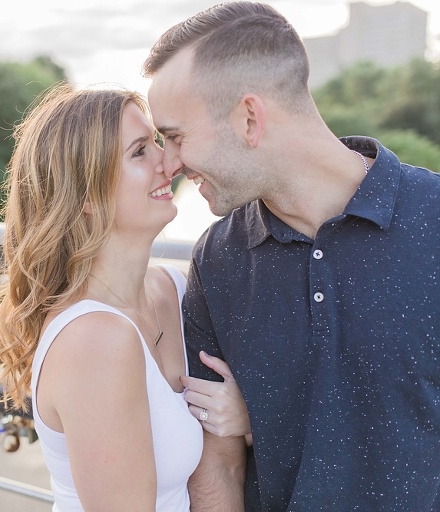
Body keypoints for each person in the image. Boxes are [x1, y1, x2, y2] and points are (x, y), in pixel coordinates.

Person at [143, 2, 440, 511]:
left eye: (175, 137)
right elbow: (218, 464)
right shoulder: (217, 259)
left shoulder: (432, 219)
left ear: (250, 119)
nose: (167, 163)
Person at [0, 84, 250, 511]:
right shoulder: (95, 340)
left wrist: (246, 417)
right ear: (87, 196)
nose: (170, 161)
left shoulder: (175, 288)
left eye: (157, 143)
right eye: (140, 151)